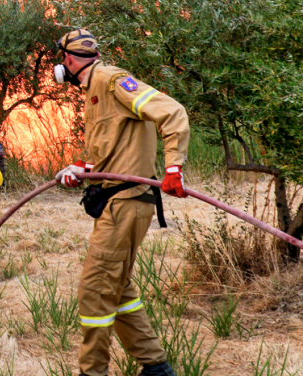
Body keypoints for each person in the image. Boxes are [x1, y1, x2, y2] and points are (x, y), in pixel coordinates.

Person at [52, 29, 189, 376]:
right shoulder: (96, 88)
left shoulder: (112, 80)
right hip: (119, 199)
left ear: (68, 60)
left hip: (126, 202)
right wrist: (81, 170)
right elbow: (113, 154)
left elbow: (172, 113)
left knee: (95, 289)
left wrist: (173, 167)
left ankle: (92, 372)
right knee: (118, 286)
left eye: (61, 60)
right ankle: (156, 368)